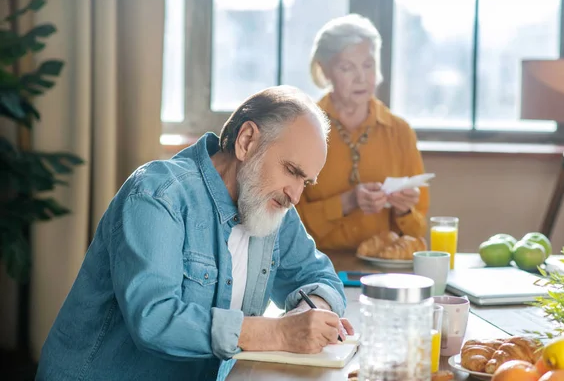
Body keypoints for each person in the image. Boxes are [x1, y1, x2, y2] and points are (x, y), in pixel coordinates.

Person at [36, 86, 353, 381]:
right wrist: (281, 333)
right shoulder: (157, 194)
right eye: (292, 171)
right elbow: (155, 319)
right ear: (246, 142)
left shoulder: (271, 206)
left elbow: (319, 275)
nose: (295, 195)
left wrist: (312, 313)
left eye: (306, 182)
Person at [296, 14, 429, 250]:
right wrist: (346, 202)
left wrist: (404, 210)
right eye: (347, 67)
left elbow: (418, 230)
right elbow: (287, 223)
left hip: (384, 267)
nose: (361, 78)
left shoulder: (400, 132)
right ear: (325, 71)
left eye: (368, 65)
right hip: (316, 266)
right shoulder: (302, 129)